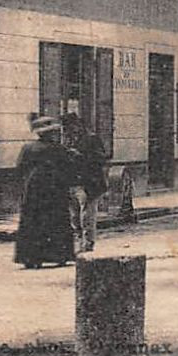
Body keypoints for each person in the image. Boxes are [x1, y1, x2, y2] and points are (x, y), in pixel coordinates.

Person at [14, 115, 79, 269]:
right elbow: (68, 168)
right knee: (56, 220)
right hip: (54, 189)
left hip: (33, 189)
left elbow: (20, 168)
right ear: (50, 134)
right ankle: (59, 255)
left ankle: (31, 258)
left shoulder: (28, 148)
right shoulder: (58, 149)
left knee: (33, 221)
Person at [64, 113, 109, 254]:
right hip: (73, 183)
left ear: (78, 125)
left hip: (89, 184)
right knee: (74, 217)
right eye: (66, 128)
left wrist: (80, 156)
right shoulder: (67, 141)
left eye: (71, 127)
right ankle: (79, 242)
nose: (68, 131)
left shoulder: (92, 139)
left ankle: (88, 243)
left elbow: (102, 158)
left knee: (87, 216)